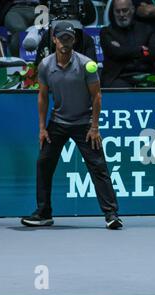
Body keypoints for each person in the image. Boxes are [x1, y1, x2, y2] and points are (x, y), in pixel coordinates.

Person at [21, 21, 123, 229]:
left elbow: (97, 97)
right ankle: (44, 213)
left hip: (84, 123)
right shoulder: (45, 65)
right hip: (58, 122)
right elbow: (42, 97)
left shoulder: (86, 65)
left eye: (69, 38)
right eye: (62, 38)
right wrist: (42, 128)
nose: (65, 43)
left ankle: (111, 215)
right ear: (55, 40)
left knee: (98, 167)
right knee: (44, 163)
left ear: (73, 40)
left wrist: (94, 127)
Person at [100, 0, 155, 88]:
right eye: (117, 11)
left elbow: (154, 54)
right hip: (118, 76)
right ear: (113, 12)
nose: (121, 14)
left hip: (145, 74)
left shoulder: (146, 29)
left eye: (125, 10)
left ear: (132, 10)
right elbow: (116, 53)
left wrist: (124, 50)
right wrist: (141, 50)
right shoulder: (106, 32)